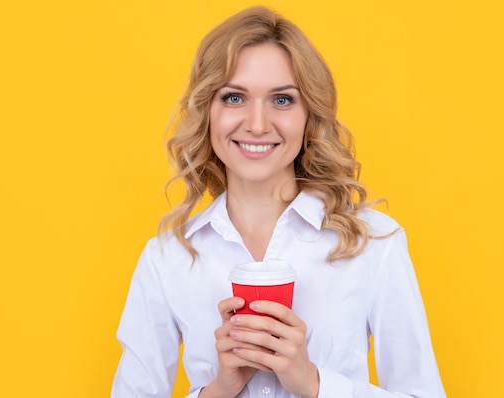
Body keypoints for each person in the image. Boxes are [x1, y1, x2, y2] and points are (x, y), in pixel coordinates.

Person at [112, 6, 445, 398]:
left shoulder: (373, 242)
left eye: (282, 100)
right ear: (207, 113)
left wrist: (314, 384)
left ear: (309, 115)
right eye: (234, 97)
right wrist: (218, 389)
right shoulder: (168, 259)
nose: (256, 124)